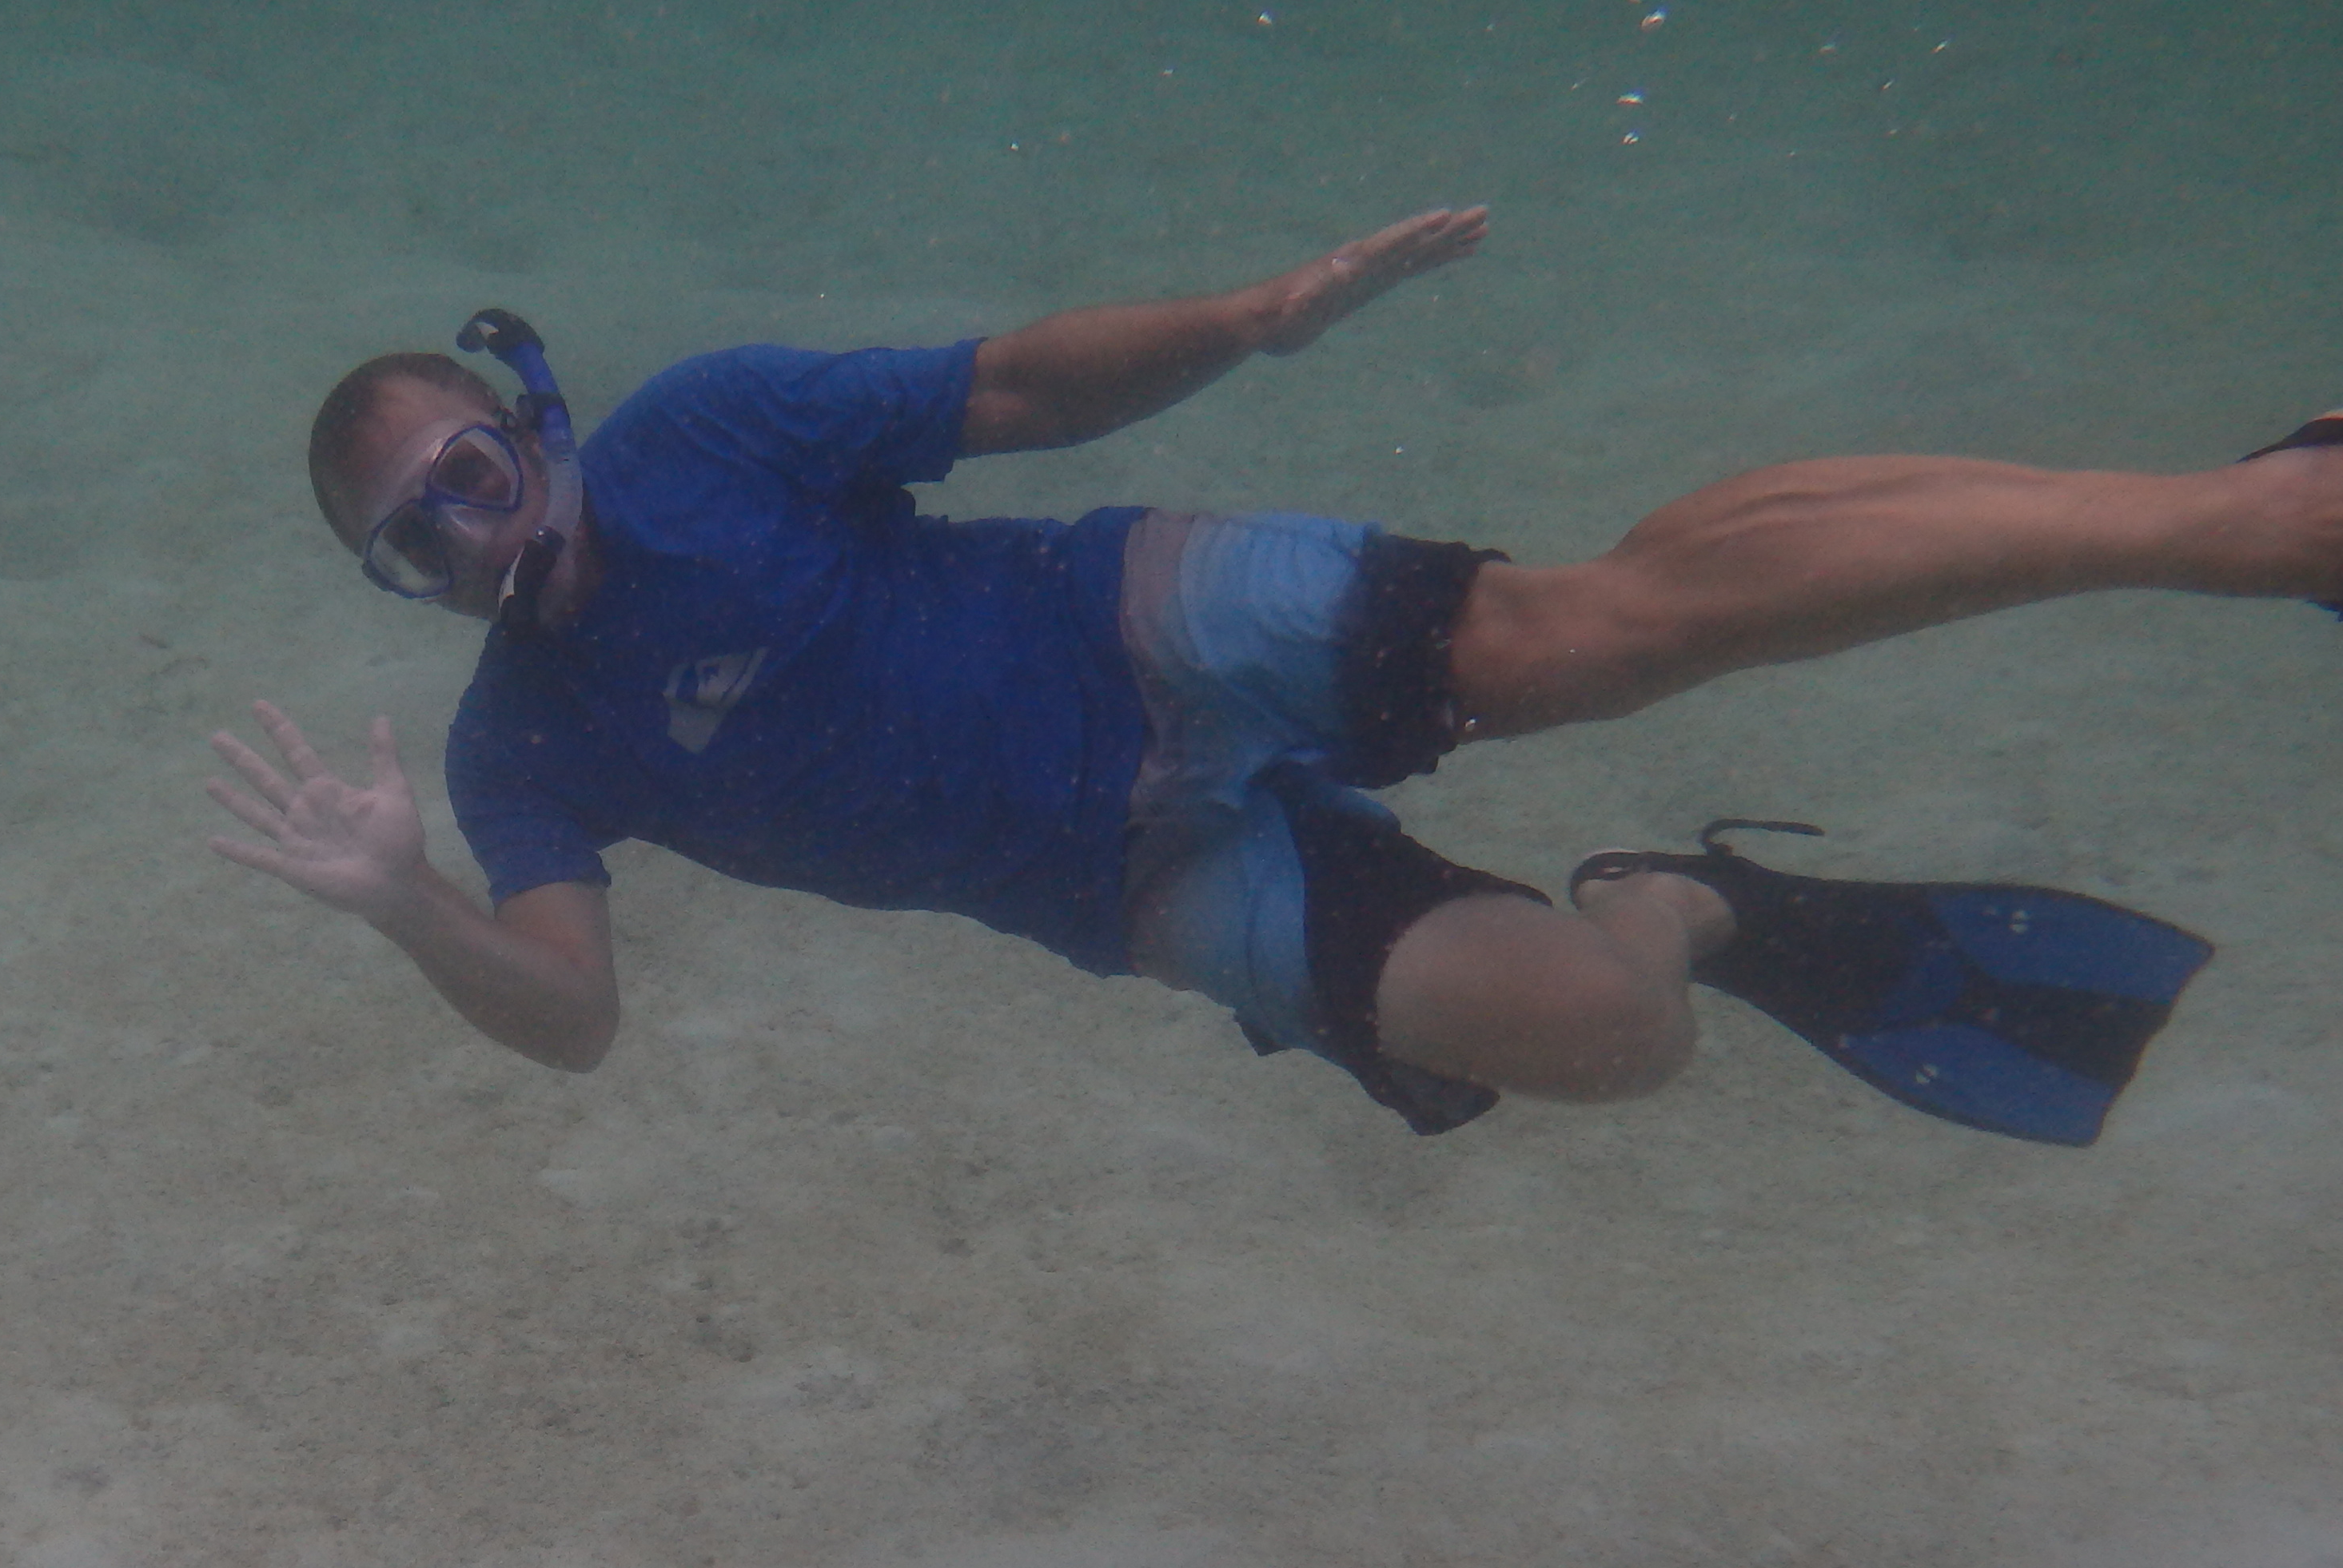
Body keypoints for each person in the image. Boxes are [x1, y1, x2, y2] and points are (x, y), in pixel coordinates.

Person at [204, 209, 2342, 1146]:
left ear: (532, 427)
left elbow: (1020, 388)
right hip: (1121, 886)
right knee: (1614, 1043)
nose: (468, 533)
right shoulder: (524, 747)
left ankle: (2241, 516)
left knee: (1599, 633)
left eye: (469, 473)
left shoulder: (702, 429)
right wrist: (405, 900)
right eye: (414, 540)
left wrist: (1248, 322)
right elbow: (570, 1019)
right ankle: (1686, 898)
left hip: (1141, 617)